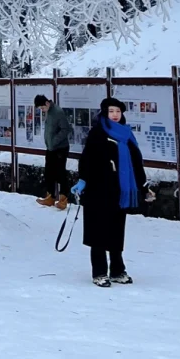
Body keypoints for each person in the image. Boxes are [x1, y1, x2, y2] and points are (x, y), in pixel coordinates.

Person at [78, 97, 154, 286]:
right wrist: (83, 180)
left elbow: (136, 163)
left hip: (119, 192)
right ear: (105, 113)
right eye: (111, 111)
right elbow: (87, 159)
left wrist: (143, 186)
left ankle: (117, 270)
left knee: (116, 231)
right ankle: (99, 272)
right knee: (98, 232)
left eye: (118, 111)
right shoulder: (97, 133)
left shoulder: (127, 135)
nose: (115, 115)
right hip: (98, 190)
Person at [34, 94, 73, 209]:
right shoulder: (49, 111)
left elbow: (66, 129)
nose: (42, 110)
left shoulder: (57, 112)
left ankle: (63, 199)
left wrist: (54, 141)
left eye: (42, 108)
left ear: (47, 103)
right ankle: (50, 197)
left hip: (60, 148)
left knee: (60, 173)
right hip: (51, 147)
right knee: (49, 173)